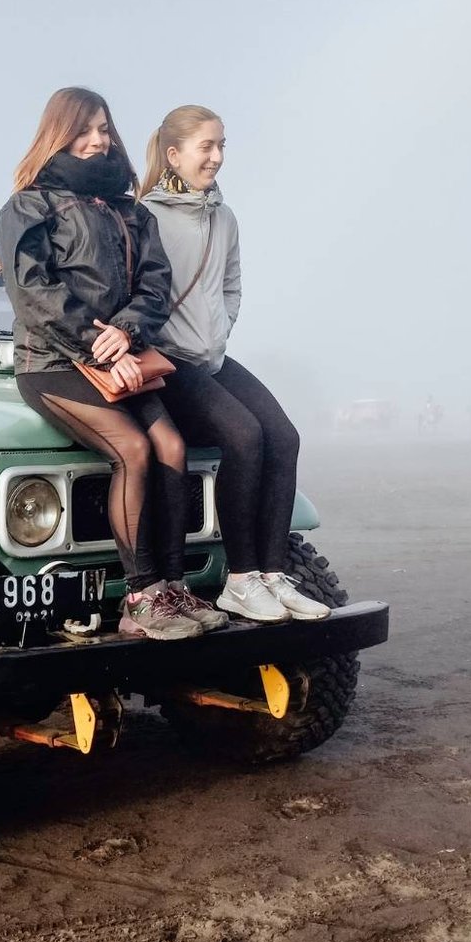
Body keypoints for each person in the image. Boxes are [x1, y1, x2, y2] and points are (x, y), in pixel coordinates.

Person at [0, 87, 227, 640]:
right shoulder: (28, 206)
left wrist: (124, 334)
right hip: (51, 361)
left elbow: (155, 284)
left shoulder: (130, 209)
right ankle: (141, 597)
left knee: (172, 447)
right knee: (133, 448)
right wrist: (94, 347)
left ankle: (174, 588)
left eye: (103, 128)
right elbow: (33, 292)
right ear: (58, 133)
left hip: (119, 354)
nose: (97, 139)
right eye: (84, 130)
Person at [140, 104, 331, 623]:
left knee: (285, 438)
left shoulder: (224, 217)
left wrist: (219, 333)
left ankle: (272, 573)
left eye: (222, 145)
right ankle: (240, 580)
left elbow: (231, 285)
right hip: (172, 361)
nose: (218, 157)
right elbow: (138, 292)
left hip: (213, 355)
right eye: (208, 146)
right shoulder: (146, 217)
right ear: (174, 154)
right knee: (243, 436)